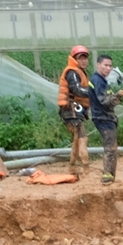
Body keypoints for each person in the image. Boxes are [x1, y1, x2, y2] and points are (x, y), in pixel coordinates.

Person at [54, 45, 93, 177]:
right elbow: (76, 90)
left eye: (85, 58)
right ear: (74, 59)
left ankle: (71, 166)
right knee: (82, 138)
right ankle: (86, 167)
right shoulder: (72, 72)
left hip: (75, 110)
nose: (84, 61)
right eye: (80, 58)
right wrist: (93, 93)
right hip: (71, 110)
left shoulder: (77, 72)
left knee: (77, 139)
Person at [89, 54, 121, 184]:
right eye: (105, 65)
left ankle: (111, 175)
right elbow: (104, 101)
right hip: (103, 117)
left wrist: (115, 96)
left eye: (110, 66)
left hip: (105, 117)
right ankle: (107, 175)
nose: (108, 68)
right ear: (98, 65)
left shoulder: (101, 80)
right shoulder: (97, 80)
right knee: (110, 146)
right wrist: (117, 96)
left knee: (112, 145)